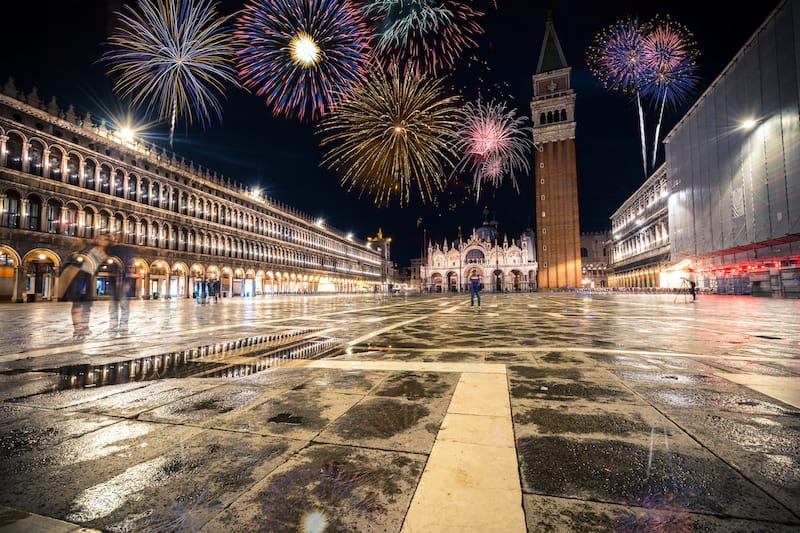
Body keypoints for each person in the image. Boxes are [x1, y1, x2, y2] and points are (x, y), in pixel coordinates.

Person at [60, 234, 110, 340]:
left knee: (87, 304)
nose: (103, 240)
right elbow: (75, 251)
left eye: (106, 239)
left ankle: (85, 326)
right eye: (101, 238)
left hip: (88, 278)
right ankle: (78, 328)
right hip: (79, 275)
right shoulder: (88, 247)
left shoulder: (104, 251)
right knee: (77, 303)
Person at [108, 232, 135, 336]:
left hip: (123, 281)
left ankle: (123, 326)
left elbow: (130, 266)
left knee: (124, 306)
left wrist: (128, 281)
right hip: (113, 282)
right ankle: (113, 325)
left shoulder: (127, 250)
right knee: (113, 306)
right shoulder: (112, 249)